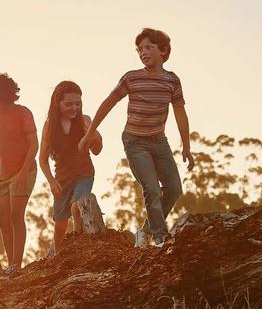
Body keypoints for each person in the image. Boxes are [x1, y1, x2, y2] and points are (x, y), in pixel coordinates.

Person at [79, 28, 195, 247]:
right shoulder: (131, 78)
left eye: (149, 47)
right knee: (151, 187)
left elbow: (180, 113)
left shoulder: (172, 81)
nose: (143, 52)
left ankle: (145, 231)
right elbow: (108, 103)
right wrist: (90, 132)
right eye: (140, 49)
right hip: (135, 141)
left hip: (159, 141)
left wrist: (186, 147)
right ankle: (160, 238)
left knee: (174, 187)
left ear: (163, 51)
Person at [0, 72, 39, 276]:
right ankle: (9, 263)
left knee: (15, 215)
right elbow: (1, 150)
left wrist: (22, 172)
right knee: (2, 218)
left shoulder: (23, 113)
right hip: (4, 175)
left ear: (4, 95)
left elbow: (33, 146)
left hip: (25, 171)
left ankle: (16, 265)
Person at [38, 81, 101, 256]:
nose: (74, 107)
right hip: (61, 179)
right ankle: (57, 255)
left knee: (77, 206)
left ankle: (80, 245)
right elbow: (42, 160)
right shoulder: (50, 126)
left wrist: (93, 135)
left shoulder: (85, 120)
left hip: (84, 174)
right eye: (69, 104)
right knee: (60, 224)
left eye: (78, 103)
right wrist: (51, 182)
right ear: (57, 103)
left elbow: (97, 150)